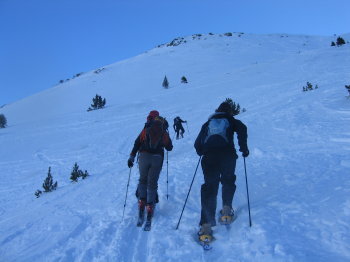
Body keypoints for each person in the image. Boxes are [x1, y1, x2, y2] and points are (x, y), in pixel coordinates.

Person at [194, 102, 249, 240]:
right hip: (227, 155)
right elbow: (242, 129)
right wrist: (244, 148)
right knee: (228, 180)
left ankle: (206, 226)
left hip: (209, 157)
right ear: (229, 111)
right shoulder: (231, 120)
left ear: (217, 110)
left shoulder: (208, 123)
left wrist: (202, 151)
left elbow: (197, 144)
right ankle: (226, 210)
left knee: (210, 188)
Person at [127, 110, 173, 225]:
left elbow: (137, 142)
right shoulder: (163, 131)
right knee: (152, 183)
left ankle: (142, 201)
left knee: (143, 180)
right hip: (157, 158)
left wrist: (132, 157)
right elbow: (170, 148)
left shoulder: (146, 129)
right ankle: (150, 206)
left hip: (144, 156)